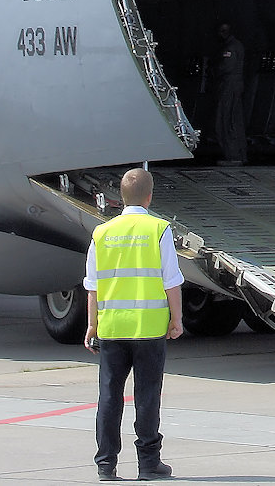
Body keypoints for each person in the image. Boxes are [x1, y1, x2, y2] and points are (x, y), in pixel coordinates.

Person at [84, 166, 182, 481]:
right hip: (149, 328)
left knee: (110, 397)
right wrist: (176, 318)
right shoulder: (159, 229)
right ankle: (149, 463)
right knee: (148, 396)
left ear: (119, 197)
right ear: (150, 197)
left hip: (112, 328)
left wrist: (91, 325)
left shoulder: (101, 233)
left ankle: (105, 464)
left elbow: (92, 285)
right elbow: (171, 281)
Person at [213, 22, 248, 166]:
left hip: (229, 86)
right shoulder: (237, 45)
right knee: (234, 120)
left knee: (227, 120)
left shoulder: (231, 48)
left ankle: (234, 155)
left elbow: (227, 67)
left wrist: (216, 70)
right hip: (234, 86)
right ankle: (239, 154)